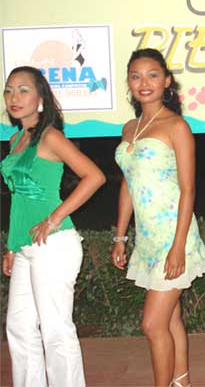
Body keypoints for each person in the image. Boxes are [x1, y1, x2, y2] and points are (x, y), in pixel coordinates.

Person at [1, 66, 106, 387]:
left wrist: (54, 218)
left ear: (41, 98)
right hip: (26, 245)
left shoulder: (50, 137)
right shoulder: (16, 139)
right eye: (9, 90)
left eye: (23, 90)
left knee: (56, 331)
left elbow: (95, 176)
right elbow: (20, 200)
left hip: (54, 244)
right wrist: (11, 246)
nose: (14, 97)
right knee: (19, 328)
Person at [112, 48, 205, 387]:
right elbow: (128, 183)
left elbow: (189, 189)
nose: (144, 82)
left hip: (173, 235)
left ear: (167, 81)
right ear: (129, 82)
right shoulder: (129, 128)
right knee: (170, 320)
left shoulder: (176, 126)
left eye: (153, 75)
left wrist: (178, 246)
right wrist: (121, 237)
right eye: (136, 76)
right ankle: (181, 381)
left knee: (152, 325)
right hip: (147, 239)